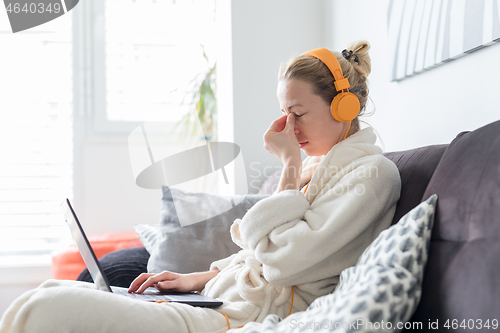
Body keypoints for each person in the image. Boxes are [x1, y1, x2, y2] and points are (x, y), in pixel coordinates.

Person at [0, 41, 401, 333]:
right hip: (222, 298)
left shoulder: (372, 176)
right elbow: (257, 250)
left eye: (298, 113)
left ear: (343, 107)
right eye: (283, 113)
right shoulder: (317, 170)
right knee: (46, 291)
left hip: (243, 316)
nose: (288, 128)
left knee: (48, 308)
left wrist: (290, 165)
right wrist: (197, 279)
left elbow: (283, 260)